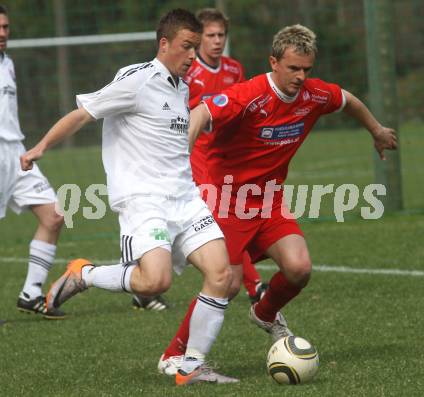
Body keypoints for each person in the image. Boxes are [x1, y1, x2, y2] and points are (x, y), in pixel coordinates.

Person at [157, 23, 398, 376]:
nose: (301, 77)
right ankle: (173, 355)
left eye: (306, 69)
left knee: (299, 269)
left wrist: (376, 130)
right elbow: (201, 113)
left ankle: (264, 313)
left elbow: (347, 99)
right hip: (228, 201)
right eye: (293, 68)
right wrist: (184, 150)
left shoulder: (314, 95)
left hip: (268, 200)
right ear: (273, 62)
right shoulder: (250, 93)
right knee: (226, 281)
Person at [20, 9, 238, 385]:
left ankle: (190, 365)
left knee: (223, 276)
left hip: (185, 198)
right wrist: (41, 146)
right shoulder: (136, 80)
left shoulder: (181, 87)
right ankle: (84, 274)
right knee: (154, 283)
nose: (192, 56)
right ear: (164, 43)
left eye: (195, 48)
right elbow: (82, 114)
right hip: (144, 200)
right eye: (186, 47)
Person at [157, 7, 268, 375]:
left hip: (230, 158)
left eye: (222, 35)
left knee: (231, 222)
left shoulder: (235, 69)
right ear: (197, 38)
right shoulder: (190, 70)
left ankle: (145, 282)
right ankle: (256, 287)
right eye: (210, 36)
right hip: (198, 158)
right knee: (218, 223)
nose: (217, 42)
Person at [0, 4, 65, 319]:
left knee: (54, 215)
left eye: (6, 28)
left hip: (17, 153)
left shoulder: (8, 63)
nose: (3, 34)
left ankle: (31, 293)